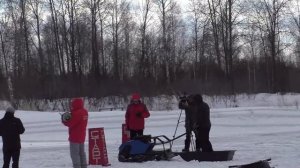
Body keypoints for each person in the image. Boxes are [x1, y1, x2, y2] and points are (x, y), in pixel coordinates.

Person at [62, 98, 88, 168]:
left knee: (74, 154)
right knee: (82, 153)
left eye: (73, 104)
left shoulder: (76, 113)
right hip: (82, 136)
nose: (72, 106)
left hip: (75, 137)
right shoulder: (84, 111)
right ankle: (84, 166)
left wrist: (64, 119)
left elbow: (69, 123)